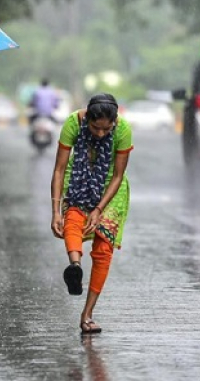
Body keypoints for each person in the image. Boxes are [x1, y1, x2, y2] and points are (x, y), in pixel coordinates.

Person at [50, 93, 133, 334]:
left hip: (111, 189)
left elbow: (117, 175)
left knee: (104, 247)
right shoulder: (73, 124)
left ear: (115, 122)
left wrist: (99, 209)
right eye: (95, 128)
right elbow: (59, 169)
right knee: (73, 220)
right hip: (78, 179)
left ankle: (87, 314)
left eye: (106, 129)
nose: (100, 134)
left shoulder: (124, 130)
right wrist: (56, 211)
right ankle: (74, 267)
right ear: (87, 119)